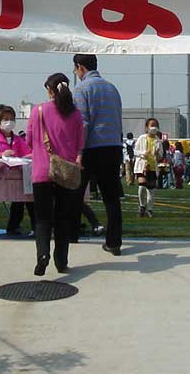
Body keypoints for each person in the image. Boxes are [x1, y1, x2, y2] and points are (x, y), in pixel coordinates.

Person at [28, 73, 86, 274]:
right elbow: (80, 144)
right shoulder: (76, 115)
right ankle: (61, 261)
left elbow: (29, 141)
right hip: (65, 172)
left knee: (42, 218)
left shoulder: (38, 111)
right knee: (63, 218)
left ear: (50, 90)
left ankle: (42, 254)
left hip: (42, 172)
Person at [71, 54, 125, 256]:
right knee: (111, 198)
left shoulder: (81, 89)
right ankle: (114, 242)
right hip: (113, 146)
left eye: (76, 69)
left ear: (80, 67)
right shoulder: (112, 88)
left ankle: (71, 235)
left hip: (91, 147)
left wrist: (79, 151)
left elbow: (83, 123)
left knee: (76, 194)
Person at [0, 105, 34, 236]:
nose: (9, 122)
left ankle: (20, 226)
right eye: (6, 119)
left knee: (25, 197)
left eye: (12, 119)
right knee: (18, 198)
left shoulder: (18, 139)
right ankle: (13, 226)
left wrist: (27, 157)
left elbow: (27, 153)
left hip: (17, 177)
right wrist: (1, 154)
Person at [134, 119, 164, 217]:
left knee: (150, 189)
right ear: (147, 127)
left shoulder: (158, 141)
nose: (154, 127)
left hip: (152, 167)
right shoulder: (142, 138)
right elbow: (135, 151)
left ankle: (150, 209)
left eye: (155, 125)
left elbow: (160, 156)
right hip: (142, 165)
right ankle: (142, 206)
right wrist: (143, 153)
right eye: (152, 125)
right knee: (142, 185)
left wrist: (157, 154)